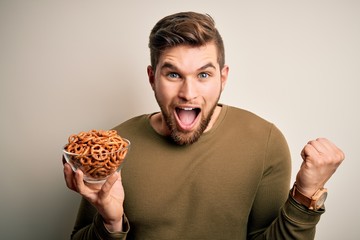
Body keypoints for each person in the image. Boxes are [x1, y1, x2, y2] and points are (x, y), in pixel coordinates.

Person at [63, 11, 345, 239]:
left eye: (203, 75)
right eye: (173, 74)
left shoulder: (265, 141)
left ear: (223, 78)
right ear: (152, 78)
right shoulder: (115, 145)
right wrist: (110, 224)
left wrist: (305, 196)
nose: (188, 92)